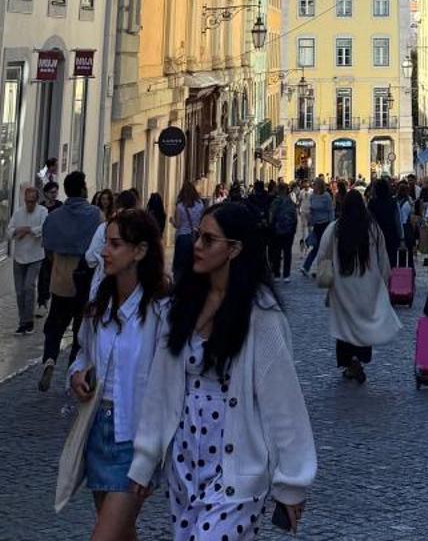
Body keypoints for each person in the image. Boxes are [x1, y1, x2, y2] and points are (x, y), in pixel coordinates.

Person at [128, 200, 316, 534]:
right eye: (198, 236)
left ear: (235, 249)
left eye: (209, 239)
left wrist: (292, 482)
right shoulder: (181, 307)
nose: (197, 246)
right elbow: (160, 387)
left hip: (236, 471)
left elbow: (283, 402)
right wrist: (146, 458)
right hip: (184, 465)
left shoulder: (261, 316)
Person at [63, 208, 167, 538]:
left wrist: (154, 450)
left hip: (135, 438)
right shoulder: (100, 300)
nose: (105, 251)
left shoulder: (161, 309)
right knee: (121, 533)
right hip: (98, 431)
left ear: (140, 250)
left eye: (115, 244)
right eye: (106, 242)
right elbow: (83, 353)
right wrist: (77, 375)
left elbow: (168, 383)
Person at [312, 186, 399, 384]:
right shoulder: (372, 229)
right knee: (362, 323)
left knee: (345, 326)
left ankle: (349, 361)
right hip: (367, 284)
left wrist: (324, 273)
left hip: (342, 286)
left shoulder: (335, 228)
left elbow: (323, 255)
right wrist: (383, 281)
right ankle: (358, 358)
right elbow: (383, 258)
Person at [39, 171, 102, 391]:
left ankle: (49, 359)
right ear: (83, 188)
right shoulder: (95, 214)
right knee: (79, 330)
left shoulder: (54, 216)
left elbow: (47, 248)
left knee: (54, 325)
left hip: (60, 278)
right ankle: (72, 371)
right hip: (85, 280)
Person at [8, 182, 47, 334]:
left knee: (29, 286)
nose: (29, 204)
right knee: (19, 291)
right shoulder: (18, 213)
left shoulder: (42, 211)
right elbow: (9, 231)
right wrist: (18, 230)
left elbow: (44, 227)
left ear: (36, 200)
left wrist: (28, 230)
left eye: (32, 201)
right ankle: (22, 320)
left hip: (36, 256)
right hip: (19, 256)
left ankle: (28, 321)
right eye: (27, 201)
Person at [172, 182, 205, 282]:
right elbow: (202, 221)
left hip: (183, 238)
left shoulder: (180, 206)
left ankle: (179, 284)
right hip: (196, 237)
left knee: (180, 264)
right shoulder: (200, 204)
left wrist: (172, 221)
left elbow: (178, 225)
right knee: (194, 261)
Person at [367, 177, 403, 268]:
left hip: (376, 235)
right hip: (391, 235)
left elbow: (368, 220)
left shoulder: (372, 203)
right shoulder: (393, 202)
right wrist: (401, 237)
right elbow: (398, 221)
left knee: (377, 262)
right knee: (391, 261)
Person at [301, 177, 333, 275]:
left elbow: (330, 210)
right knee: (317, 246)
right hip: (316, 225)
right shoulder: (312, 196)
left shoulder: (326, 196)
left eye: (315, 184)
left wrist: (331, 224)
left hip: (326, 224)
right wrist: (310, 220)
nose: (313, 186)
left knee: (323, 247)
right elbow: (312, 210)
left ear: (319, 185)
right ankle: (310, 267)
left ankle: (310, 267)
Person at [38, 179, 60, 307]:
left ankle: (53, 299)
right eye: (52, 192)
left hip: (56, 246)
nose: (54, 195)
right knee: (43, 274)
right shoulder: (41, 207)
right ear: (46, 193)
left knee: (54, 273)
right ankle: (42, 300)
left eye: (56, 192)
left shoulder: (60, 206)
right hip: (43, 245)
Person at [268, 184, 297, 280]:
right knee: (287, 252)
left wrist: (271, 226)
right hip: (289, 230)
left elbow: (271, 215)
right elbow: (294, 215)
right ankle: (286, 275)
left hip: (277, 230)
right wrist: (294, 228)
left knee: (277, 252)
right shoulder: (290, 201)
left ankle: (276, 273)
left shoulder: (275, 201)